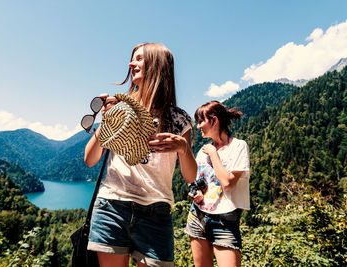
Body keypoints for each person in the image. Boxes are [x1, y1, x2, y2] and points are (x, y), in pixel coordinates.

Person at [84, 43, 197, 267]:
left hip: (156, 213)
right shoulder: (120, 108)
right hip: (112, 205)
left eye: (138, 59)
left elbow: (191, 177)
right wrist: (107, 122)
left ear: (157, 65)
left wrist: (184, 149)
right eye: (132, 59)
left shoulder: (179, 119)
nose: (130, 64)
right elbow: (90, 159)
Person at [185, 100, 250, 267]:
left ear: (214, 120)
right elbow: (198, 182)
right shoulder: (202, 151)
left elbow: (228, 183)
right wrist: (196, 193)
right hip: (198, 216)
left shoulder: (238, 147)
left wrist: (214, 153)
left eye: (201, 121)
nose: (198, 126)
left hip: (225, 222)